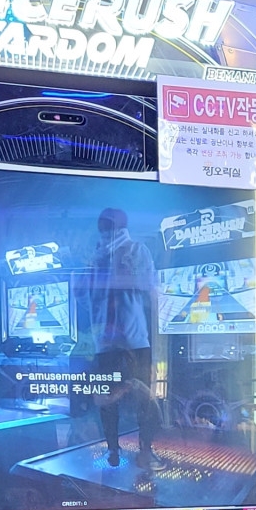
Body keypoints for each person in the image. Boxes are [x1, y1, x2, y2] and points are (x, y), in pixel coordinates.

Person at [84, 207, 161, 483]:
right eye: (102, 224)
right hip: (116, 340)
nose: (104, 228)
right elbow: (87, 295)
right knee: (113, 399)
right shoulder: (97, 256)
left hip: (128, 338)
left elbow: (146, 287)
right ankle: (116, 451)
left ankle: (140, 450)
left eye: (108, 224)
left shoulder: (135, 250)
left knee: (140, 397)